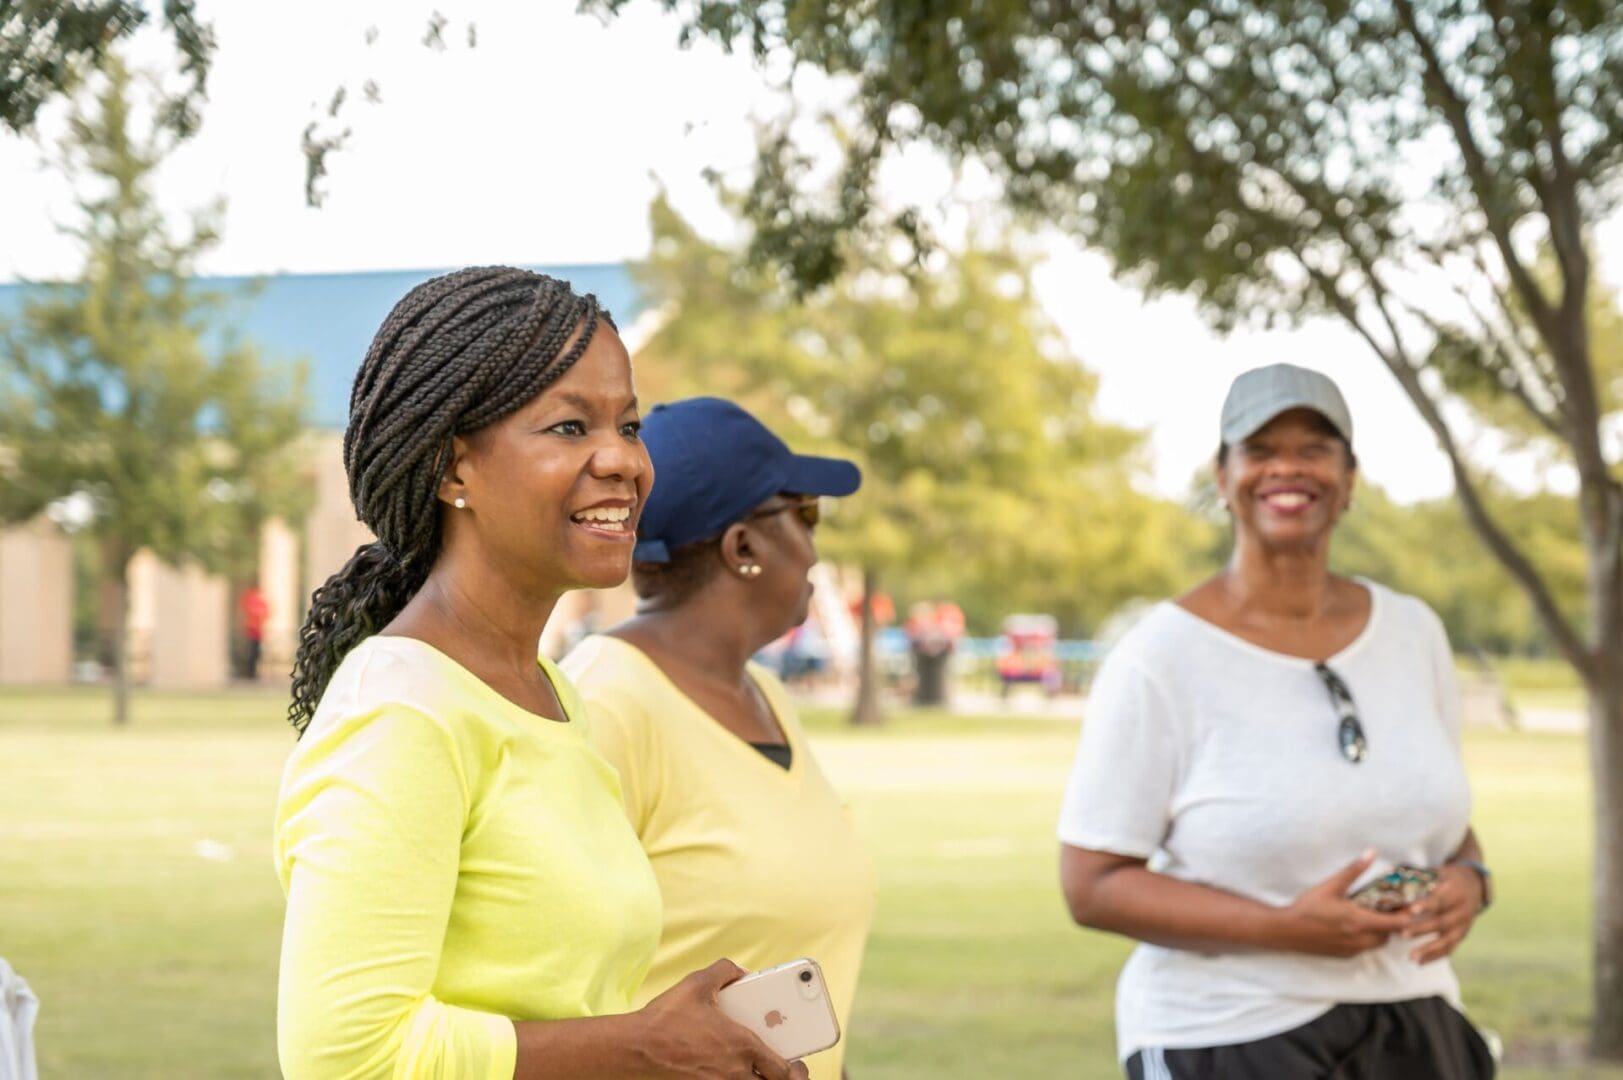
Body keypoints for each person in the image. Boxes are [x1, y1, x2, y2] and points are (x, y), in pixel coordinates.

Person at [274, 270, 808, 1080]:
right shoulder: (400, 709)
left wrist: (687, 1049)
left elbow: (555, 1005)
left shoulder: (548, 694)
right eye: (568, 426)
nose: (622, 461)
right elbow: (344, 1056)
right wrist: (644, 1047)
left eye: (628, 425)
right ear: (453, 470)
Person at [1058, 363, 1496, 1079]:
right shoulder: (1156, 659)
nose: (1287, 467)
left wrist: (1471, 879)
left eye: (1314, 448)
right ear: (1222, 477)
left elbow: (1437, 819)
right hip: (1229, 1032)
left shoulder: (1414, 632)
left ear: (1348, 479)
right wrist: (1282, 930)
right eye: (1259, 450)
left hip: (1414, 1021)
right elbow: (1091, 884)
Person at [561, 397, 877, 1080]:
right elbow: (545, 989)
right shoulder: (605, 703)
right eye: (805, 514)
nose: (816, 547)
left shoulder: (764, 696)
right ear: (743, 548)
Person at [239, 585, 268, 680]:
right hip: (251, 630)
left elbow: (266, 612)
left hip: (258, 631)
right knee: (251, 652)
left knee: (256, 653)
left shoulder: (260, 601)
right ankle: (249, 672)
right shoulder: (250, 600)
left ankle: (253, 672)